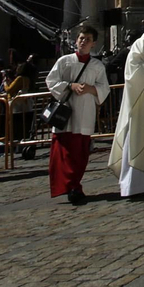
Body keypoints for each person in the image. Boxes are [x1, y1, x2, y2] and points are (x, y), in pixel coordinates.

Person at [46, 24, 110, 206]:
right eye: (81, 38)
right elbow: (51, 80)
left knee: (80, 152)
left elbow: (104, 88)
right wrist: (70, 86)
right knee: (65, 151)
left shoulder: (97, 66)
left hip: (85, 112)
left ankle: (75, 184)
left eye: (88, 39)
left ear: (94, 44)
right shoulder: (64, 61)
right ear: (76, 41)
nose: (83, 42)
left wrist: (91, 89)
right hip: (65, 113)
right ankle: (71, 187)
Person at [109, 10, 144, 199]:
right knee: (139, 140)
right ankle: (135, 185)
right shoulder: (141, 45)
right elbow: (135, 72)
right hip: (143, 104)